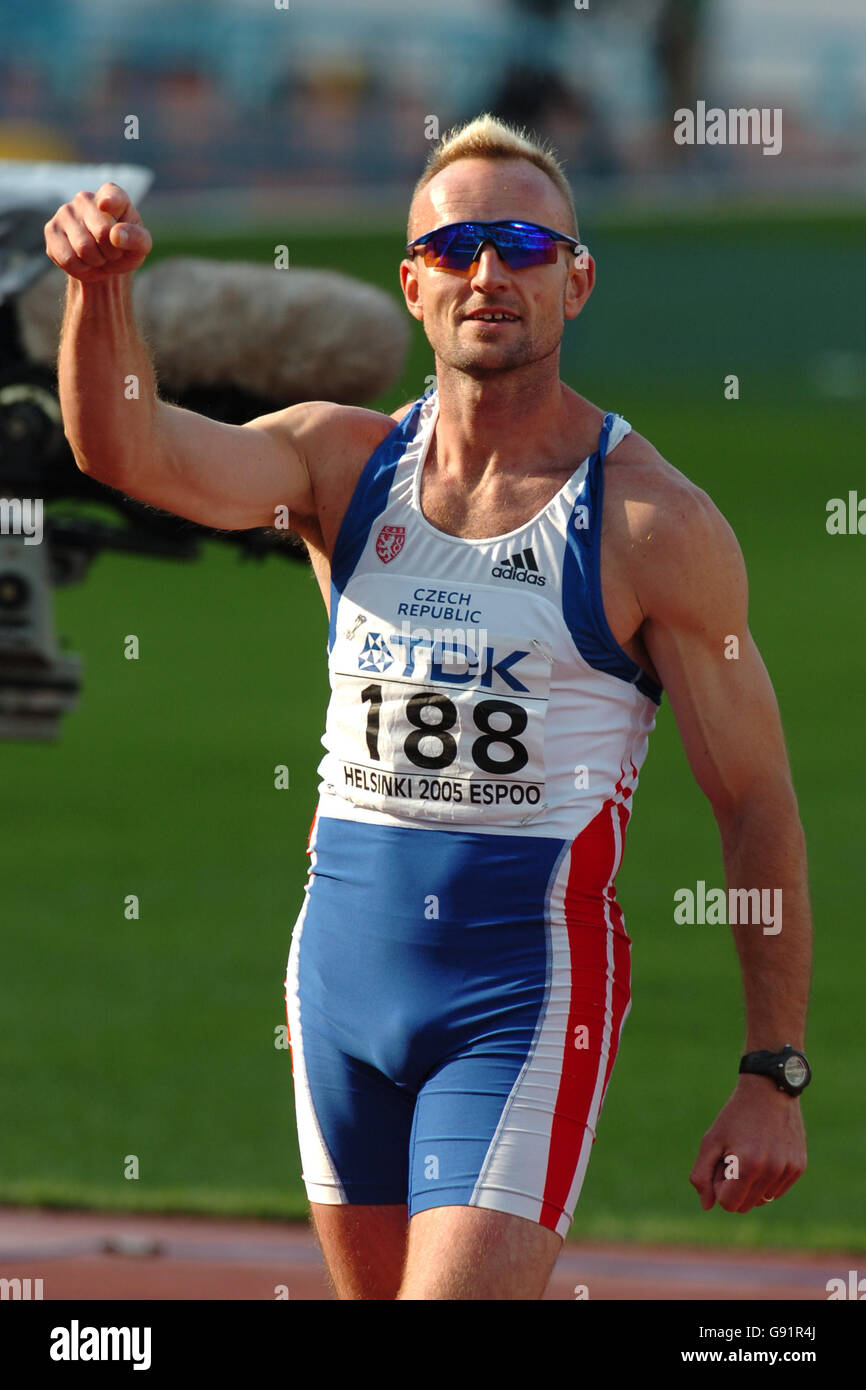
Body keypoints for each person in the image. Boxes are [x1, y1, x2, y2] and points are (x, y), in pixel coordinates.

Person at [47, 113, 811, 1302]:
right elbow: (125, 450)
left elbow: (754, 803)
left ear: (578, 278)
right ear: (411, 283)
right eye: (454, 248)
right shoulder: (333, 466)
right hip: (338, 978)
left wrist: (772, 1067)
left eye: (519, 243)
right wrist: (100, 293)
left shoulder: (651, 525)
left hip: (519, 991)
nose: (487, 273)